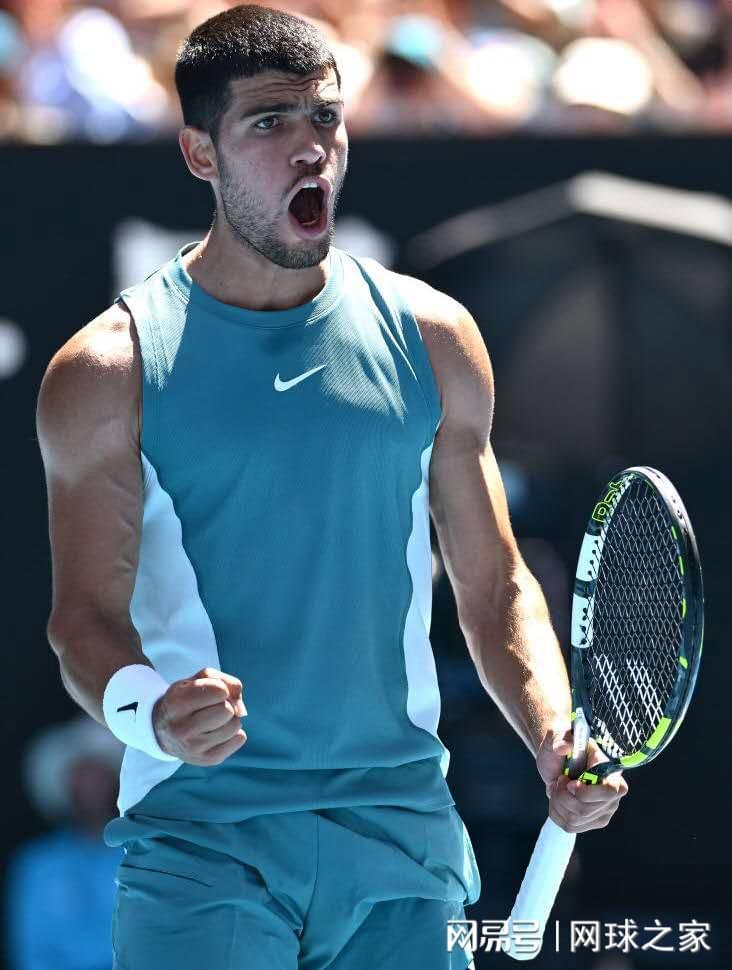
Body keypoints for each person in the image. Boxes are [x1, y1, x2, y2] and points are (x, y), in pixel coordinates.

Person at [35, 5, 628, 968]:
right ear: (199, 153)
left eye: (326, 117)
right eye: (269, 121)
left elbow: (494, 585)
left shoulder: (434, 338)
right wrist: (153, 711)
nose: (310, 147)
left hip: (405, 844)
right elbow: (83, 623)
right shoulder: (108, 370)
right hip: (204, 846)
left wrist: (553, 730)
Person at [5, 716, 124, 970]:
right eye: (82, 776)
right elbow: (31, 948)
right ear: (66, 785)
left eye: (98, 774)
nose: (91, 786)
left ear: (114, 780)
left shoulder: (142, 854)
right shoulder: (38, 863)